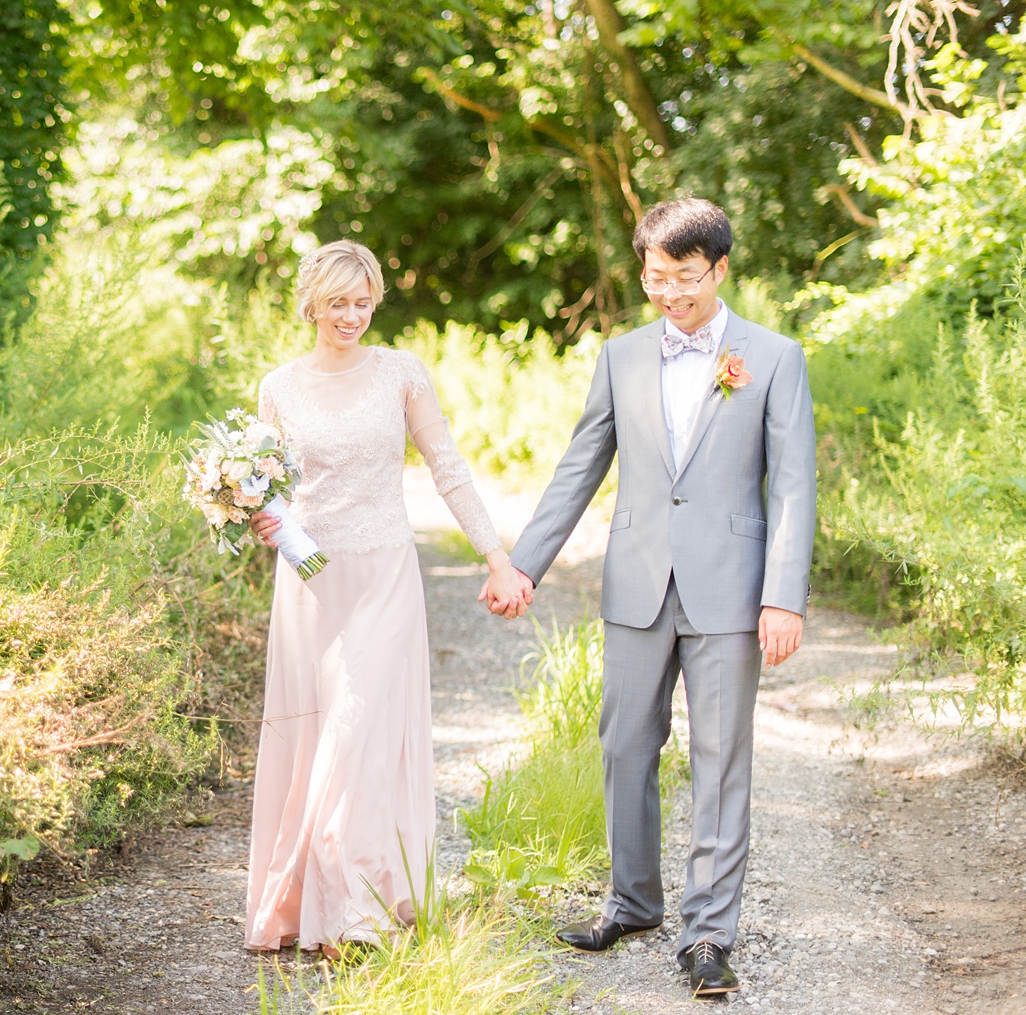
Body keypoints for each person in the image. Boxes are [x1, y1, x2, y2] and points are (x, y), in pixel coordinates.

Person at [495, 199, 816, 997]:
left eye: (684, 277)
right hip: (636, 584)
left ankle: (708, 934)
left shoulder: (773, 358)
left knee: (720, 760)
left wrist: (784, 596)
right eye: (655, 277)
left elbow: (795, 488)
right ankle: (633, 901)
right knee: (623, 746)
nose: (669, 292)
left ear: (720, 269)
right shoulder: (621, 356)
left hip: (731, 590)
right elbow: (580, 466)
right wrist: (524, 563)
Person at [241, 239, 529, 958]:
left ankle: (357, 911)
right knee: (319, 736)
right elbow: (268, 491)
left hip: (385, 575)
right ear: (311, 303)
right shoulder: (279, 386)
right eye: (339, 302)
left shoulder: (401, 374)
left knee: (360, 735)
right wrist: (252, 508)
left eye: (364, 301)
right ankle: (318, 898)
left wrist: (499, 559)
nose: (353, 315)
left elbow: (450, 469)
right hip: (312, 582)